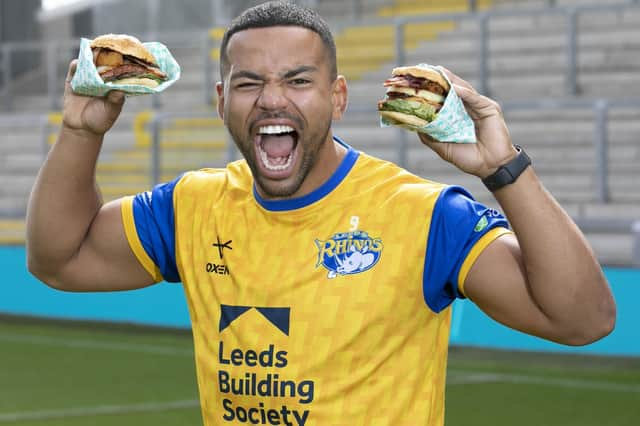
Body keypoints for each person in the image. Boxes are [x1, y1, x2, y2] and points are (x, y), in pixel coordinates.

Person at [26, 1, 616, 425]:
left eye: (298, 81)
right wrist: (80, 131)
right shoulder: (192, 205)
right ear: (221, 101)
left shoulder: (423, 214)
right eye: (248, 82)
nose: (272, 99)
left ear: (337, 97)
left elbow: (582, 320)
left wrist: (503, 169)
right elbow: (59, 260)